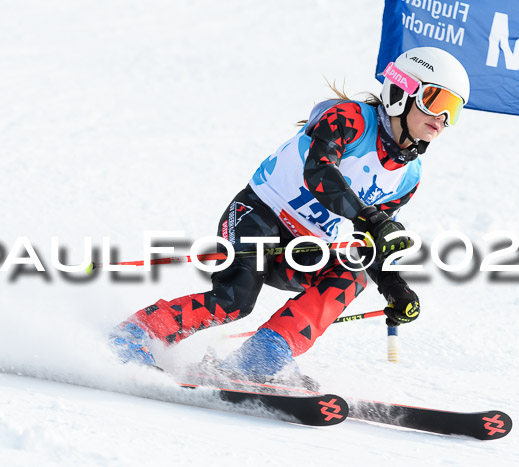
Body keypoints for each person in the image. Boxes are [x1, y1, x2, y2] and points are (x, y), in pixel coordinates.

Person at [110, 47, 470, 386]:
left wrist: (394, 286)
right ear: (400, 93)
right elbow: (320, 174)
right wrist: (368, 216)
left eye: (452, 110)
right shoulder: (349, 119)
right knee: (234, 301)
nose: (441, 117)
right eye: (435, 100)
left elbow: (369, 242)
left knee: (353, 272)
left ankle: (261, 357)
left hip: (306, 250)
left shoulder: (409, 175)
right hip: (258, 215)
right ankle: (135, 334)